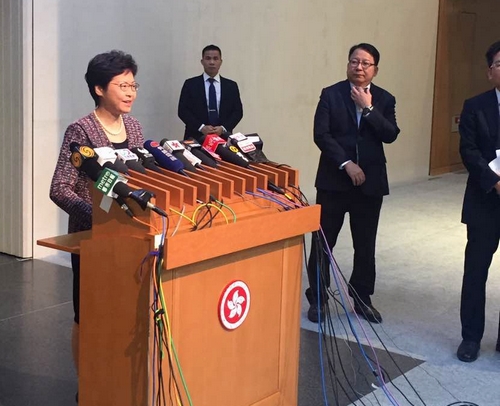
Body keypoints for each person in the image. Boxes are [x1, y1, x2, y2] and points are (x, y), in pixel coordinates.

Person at [49, 50, 145, 393]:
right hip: (92, 239)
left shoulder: (134, 127)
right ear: (99, 89)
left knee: (122, 315)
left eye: (133, 85)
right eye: (122, 85)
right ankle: (87, 386)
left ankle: (115, 383)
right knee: (88, 315)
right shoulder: (81, 130)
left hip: (130, 240)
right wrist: (101, 217)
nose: (130, 92)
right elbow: (59, 188)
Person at [306, 43, 400, 324]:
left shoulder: (385, 99)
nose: (359, 67)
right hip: (334, 182)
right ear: (348, 64)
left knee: (365, 244)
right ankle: (318, 297)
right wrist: (346, 164)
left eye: (365, 63)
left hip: (370, 184)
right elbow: (321, 135)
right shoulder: (331, 94)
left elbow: (390, 134)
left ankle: (361, 297)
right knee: (323, 242)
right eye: (354, 61)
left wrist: (368, 108)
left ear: (375, 70)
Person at [457, 40, 500, 362]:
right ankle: (470, 338)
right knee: (475, 272)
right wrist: (494, 181)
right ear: (490, 72)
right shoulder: (475, 106)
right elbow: (468, 150)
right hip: (485, 200)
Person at [178, 44, 243, 141]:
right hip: (195, 137)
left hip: (223, 138)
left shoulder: (231, 86)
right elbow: (182, 111)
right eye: (208, 58)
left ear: (221, 62)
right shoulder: (190, 84)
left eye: (215, 59)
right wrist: (201, 127)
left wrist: (223, 128)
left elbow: (237, 112)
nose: (212, 62)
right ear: (202, 61)